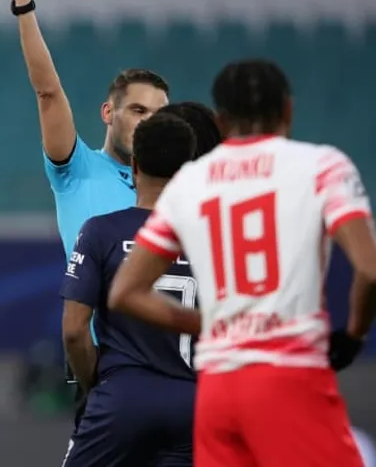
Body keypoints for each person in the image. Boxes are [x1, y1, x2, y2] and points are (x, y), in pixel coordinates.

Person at [108, 59, 376, 467]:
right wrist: (354, 334)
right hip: (288, 374)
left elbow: (126, 292)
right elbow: (369, 269)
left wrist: (211, 324)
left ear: (222, 119)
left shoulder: (191, 182)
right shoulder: (323, 166)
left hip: (217, 389)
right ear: (288, 110)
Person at [0, 0, 169, 410]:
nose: (148, 123)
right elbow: (48, 93)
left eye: (158, 115)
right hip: (106, 372)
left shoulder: (178, 191)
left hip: (174, 372)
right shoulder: (77, 171)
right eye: (138, 110)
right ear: (108, 113)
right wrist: (23, 5)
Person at [61, 112, 198, 467]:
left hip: (123, 398)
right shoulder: (212, 238)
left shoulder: (101, 231)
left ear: (134, 166)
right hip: (196, 405)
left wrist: (94, 384)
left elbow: (74, 330)